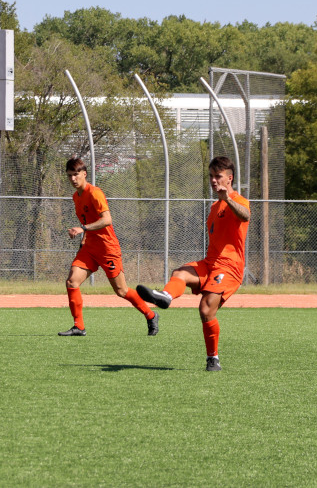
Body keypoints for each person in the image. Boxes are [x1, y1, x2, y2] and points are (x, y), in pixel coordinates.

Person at [137, 156, 250, 371]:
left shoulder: (238, 200)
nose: (213, 180)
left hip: (229, 267)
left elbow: (244, 216)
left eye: (218, 176)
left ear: (229, 178)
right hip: (210, 263)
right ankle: (166, 296)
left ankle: (213, 359)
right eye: (211, 176)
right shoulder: (214, 206)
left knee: (206, 310)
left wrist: (228, 199)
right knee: (180, 273)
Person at [59, 157, 159, 337]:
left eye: (76, 174)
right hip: (90, 248)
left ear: (84, 174)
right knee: (72, 282)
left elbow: (107, 220)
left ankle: (151, 315)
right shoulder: (76, 197)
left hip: (107, 248)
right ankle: (79, 327)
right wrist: (83, 241)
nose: (73, 179)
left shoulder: (95, 193)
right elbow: (87, 219)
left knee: (121, 290)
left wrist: (82, 229)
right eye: (69, 175)